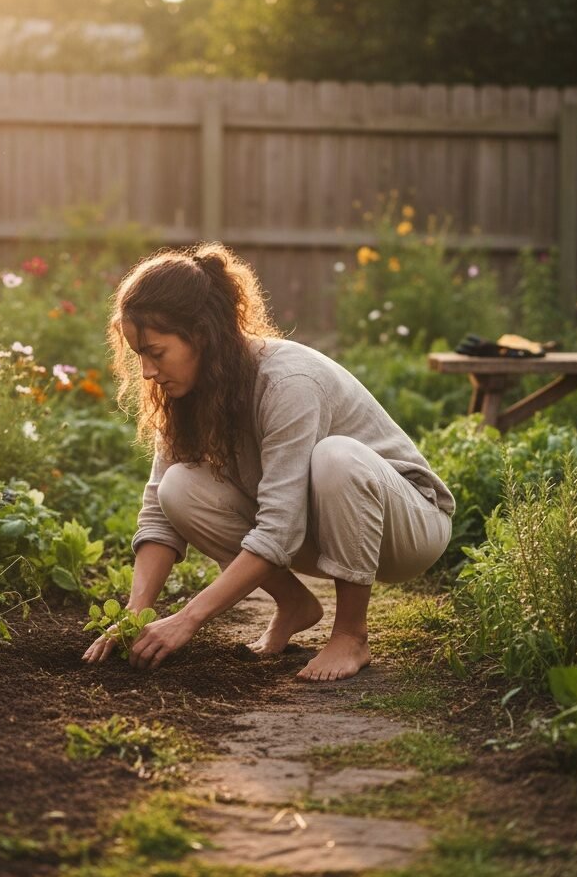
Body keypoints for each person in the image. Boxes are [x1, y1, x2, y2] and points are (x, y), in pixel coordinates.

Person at [82, 244, 455, 681]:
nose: (147, 371)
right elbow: (158, 516)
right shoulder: (185, 390)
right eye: (139, 355)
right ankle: (295, 604)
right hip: (319, 528)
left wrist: (188, 618)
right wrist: (135, 614)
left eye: (156, 352)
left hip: (409, 526)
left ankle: (351, 635)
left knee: (336, 457)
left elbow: (279, 527)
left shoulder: (287, 381)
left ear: (200, 334)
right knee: (177, 488)